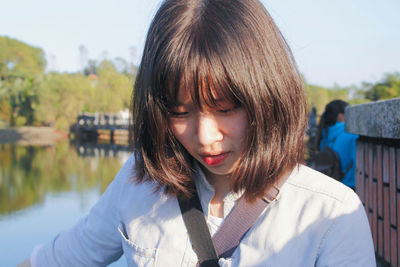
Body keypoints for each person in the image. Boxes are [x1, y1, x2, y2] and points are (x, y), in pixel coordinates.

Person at [20, 0, 375, 266]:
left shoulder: (329, 215)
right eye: (178, 111)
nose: (205, 137)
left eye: (225, 109)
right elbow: (59, 257)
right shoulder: (138, 180)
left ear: (268, 96)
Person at [316, 100, 358, 189]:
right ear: (340, 115)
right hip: (349, 186)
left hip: (330, 185)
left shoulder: (323, 134)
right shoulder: (352, 134)